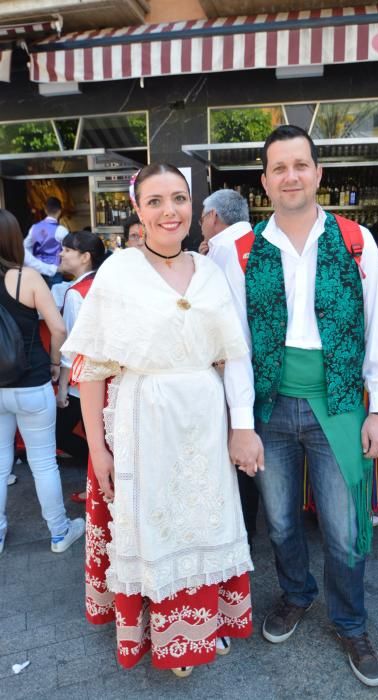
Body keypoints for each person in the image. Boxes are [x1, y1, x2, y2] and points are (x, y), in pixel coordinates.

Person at [60, 163, 253, 677]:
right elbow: (94, 366)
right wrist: (98, 451)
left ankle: (202, 622)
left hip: (204, 419)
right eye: (155, 201)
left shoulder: (211, 269)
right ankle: (164, 634)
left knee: (202, 519)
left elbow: (231, 351)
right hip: (144, 418)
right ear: (138, 211)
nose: (169, 211)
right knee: (156, 526)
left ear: (194, 206)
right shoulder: (119, 272)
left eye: (179, 199)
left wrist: (240, 421)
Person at [223, 125, 378, 687]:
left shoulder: (354, 239)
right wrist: (241, 424)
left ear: (318, 173)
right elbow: (234, 345)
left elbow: (375, 327)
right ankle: (295, 594)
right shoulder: (239, 249)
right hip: (270, 406)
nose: (291, 175)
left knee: (345, 526)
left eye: (301, 164)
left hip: (340, 402)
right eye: (279, 167)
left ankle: (350, 622)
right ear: (265, 181)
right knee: (278, 521)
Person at [0, 209, 85, 555]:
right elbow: (59, 328)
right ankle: (59, 532)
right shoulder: (28, 278)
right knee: (43, 462)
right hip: (32, 382)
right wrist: (54, 365)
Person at [198, 188, 259, 546]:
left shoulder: (222, 251)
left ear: (213, 217)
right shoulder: (258, 243)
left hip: (230, 371)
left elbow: (228, 330)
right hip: (262, 368)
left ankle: (240, 532)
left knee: (234, 452)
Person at [55, 231, 106, 503]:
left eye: (67, 250)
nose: (62, 254)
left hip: (83, 383)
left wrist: (62, 388)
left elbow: (72, 350)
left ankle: (98, 483)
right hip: (106, 377)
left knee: (61, 434)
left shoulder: (76, 294)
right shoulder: (102, 285)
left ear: (85, 257)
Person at [198, 189, 252, 267]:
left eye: (202, 220)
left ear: (212, 215)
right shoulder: (259, 242)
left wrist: (203, 261)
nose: (201, 228)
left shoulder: (221, 248)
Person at [23, 197, 69, 286]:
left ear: (45, 210)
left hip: (37, 270)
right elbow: (68, 251)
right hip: (55, 270)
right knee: (54, 297)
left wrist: (32, 261)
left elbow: (24, 247)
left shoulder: (34, 227)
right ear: (60, 211)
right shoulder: (61, 230)